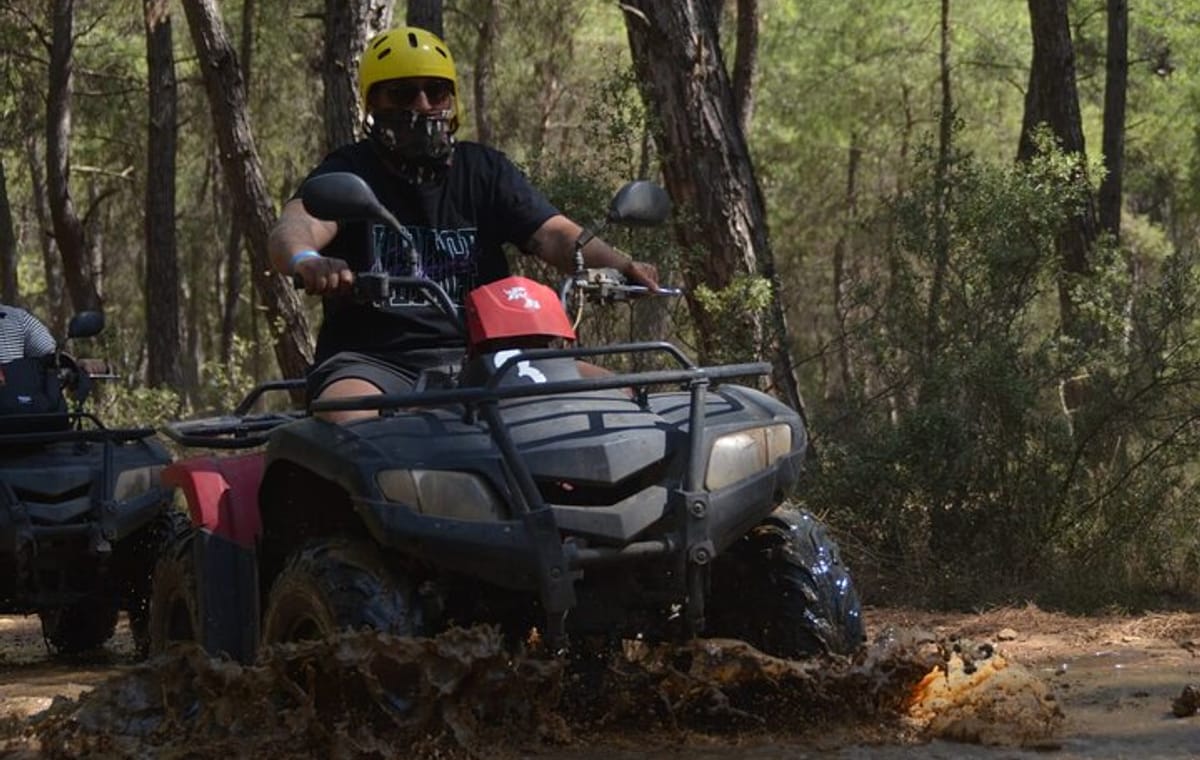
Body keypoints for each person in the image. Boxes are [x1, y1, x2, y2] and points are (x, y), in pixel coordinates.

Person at [268, 26, 658, 423]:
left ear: (452, 101)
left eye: (436, 92)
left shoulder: (483, 170)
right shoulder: (351, 171)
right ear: (373, 103)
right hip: (377, 362)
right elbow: (296, 224)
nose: (422, 105)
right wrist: (306, 259)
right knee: (351, 418)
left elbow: (554, 234)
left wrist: (622, 266)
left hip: (490, 356)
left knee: (621, 400)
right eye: (403, 93)